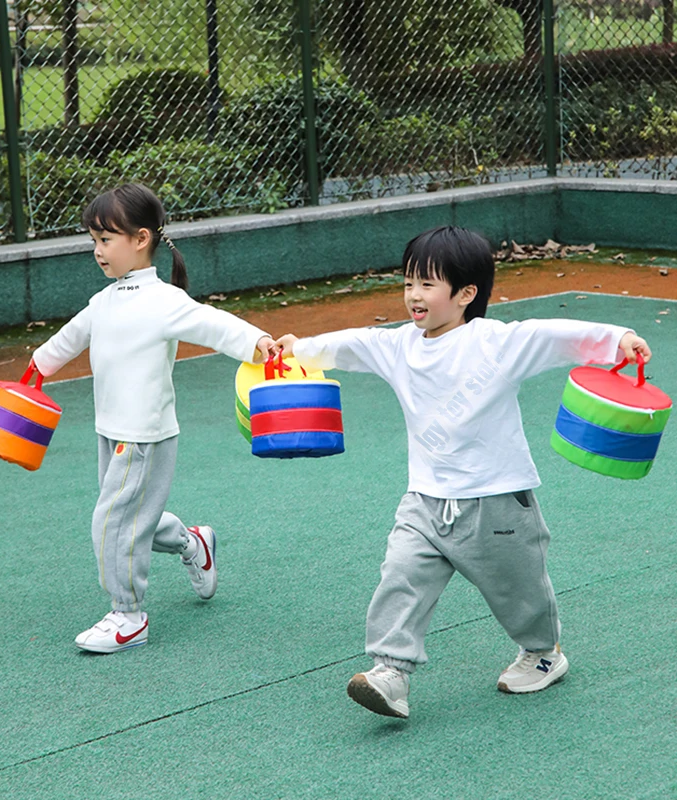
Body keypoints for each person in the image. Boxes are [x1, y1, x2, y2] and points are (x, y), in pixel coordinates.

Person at [276, 225, 651, 718]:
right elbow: (352, 346)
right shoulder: (400, 346)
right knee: (401, 576)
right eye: (409, 282)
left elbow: (555, 335)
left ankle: (542, 653)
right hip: (425, 501)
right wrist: (299, 348)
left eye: (428, 284)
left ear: (466, 293)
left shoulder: (496, 343)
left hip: (496, 501)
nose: (414, 294)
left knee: (520, 591)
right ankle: (390, 672)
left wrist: (617, 339)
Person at [31, 183, 277, 654]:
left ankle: (129, 615)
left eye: (106, 240)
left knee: (112, 521)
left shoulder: (164, 300)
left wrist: (259, 342)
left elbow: (214, 324)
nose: (97, 251)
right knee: (132, 516)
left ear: (140, 239)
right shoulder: (105, 300)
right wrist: (35, 371)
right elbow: (67, 340)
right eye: (94, 241)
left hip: (144, 435)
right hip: (110, 429)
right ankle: (193, 542)